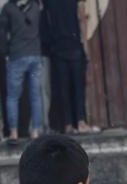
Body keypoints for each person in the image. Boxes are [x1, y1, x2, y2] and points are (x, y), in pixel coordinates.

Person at [41, 0, 98, 133]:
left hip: (58, 46)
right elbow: (82, 19)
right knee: (78, 87)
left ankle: (68, 124)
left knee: (64, 88)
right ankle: (81, 121)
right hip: (74, 45)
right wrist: (85, 47)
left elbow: (46, 19)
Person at [0, 0, 46, 143]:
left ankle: (14, 132)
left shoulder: (8, 8)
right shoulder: (35, 6)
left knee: (13, 96)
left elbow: (0, 32)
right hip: (35, 55)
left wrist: (4, 52)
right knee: (35, 95)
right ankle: (35, 131)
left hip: (17, 56)